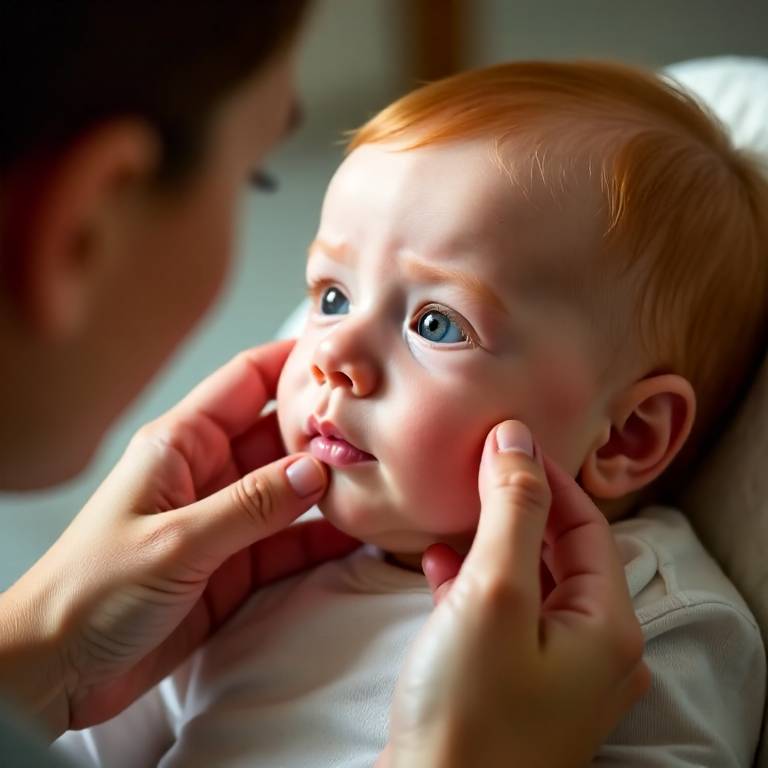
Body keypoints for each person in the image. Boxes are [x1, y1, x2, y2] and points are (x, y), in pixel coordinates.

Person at [53, 60, 768, 766]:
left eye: (436, 323)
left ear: (629, 435)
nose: (333, 353)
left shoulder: (652, 628)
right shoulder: (241, 562)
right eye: (331, 296)